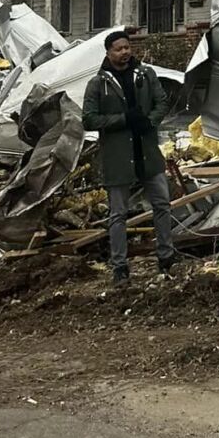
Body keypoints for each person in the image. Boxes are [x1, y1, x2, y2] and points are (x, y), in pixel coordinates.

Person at [82, 29, 177, 284]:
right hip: (118, 156)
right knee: (118, 213)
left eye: (127, 47)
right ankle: (120, 267)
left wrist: (150, 121)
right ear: (108, 53)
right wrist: (123, 120)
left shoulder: (145, 75)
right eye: (118, 49)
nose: (124, 52)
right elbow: (89, 119)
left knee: (162, 204)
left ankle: (166, 257)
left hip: (147, 152)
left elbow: (162, 102)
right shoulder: (98, 83)